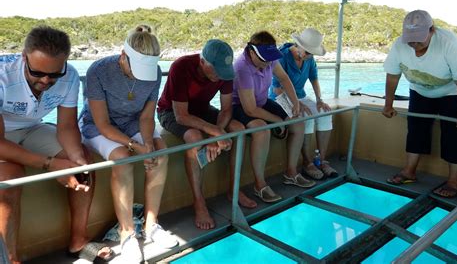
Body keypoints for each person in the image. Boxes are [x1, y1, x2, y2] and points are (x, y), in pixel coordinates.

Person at [0, 26, 114, 264]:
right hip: (3, 134)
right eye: (37, 72)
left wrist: (77, 161)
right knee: (10, 178)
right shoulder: (2, 75)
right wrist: (51, 164)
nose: (45, 80)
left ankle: (78, 241)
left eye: (54, 75)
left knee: (83, 161)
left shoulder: (71, 76)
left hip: (31, 127)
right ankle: (10, 259)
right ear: (24, 57)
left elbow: (67, 127)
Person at [79, 26, 177, 263]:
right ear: (123, 56)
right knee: (123, 158)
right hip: (97, 126)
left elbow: (145, 117)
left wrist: (148, 145)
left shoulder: (154, 73)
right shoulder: (99, 71)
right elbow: (102, 124)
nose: (141, 76)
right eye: (136, 69)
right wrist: (137, 147)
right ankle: (127, 233)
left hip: (132, 122)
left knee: (161, 152)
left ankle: (151, 226)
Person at [157, 39, 257, 230]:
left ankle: (233, 190)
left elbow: (226, 110)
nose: (220, 75)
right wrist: (214, 130)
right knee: (194, 138)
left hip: (202, 109)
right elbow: (181, 116)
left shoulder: (225, 73)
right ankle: (199, 202)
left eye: (223, 71)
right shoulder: (181, 67)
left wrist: (214, 136)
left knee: (238, 129)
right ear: (203, 62)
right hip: (171, 112)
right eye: (216, 70)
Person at [383, 10, 457, 198]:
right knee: (415, 128)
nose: (415, 45)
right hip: (420, 90)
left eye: (419, 40)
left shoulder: (449, 44)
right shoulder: (399, 45)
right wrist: (388, 104)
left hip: (452, 91)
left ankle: (455, 183)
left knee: (453, 132)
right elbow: (392, 76)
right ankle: (409, 172)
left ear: (432, 30)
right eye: (411, 40)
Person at [233, 31, 315, 204]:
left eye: (271, 59)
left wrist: (295, 103)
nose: (268, 64)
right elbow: (250, 109)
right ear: (252, 52)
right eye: (265, 60)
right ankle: (260, 184)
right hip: (240, 107)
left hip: (262, 102)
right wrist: (278, 121)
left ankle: (291, 173)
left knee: (298, 123)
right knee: (262, 130)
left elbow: (284, 78)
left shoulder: (269, 58)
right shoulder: (242, 67)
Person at [270, 28, 337, 180]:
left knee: (325, 113)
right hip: (280, 98)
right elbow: (277, 88)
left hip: (301, 96)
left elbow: (314, 79)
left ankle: (321, 160)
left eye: (311, 53)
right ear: (297, 45)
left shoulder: (309, 59)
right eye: (306, 52)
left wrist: (319, 100)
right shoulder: (282, 57)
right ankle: (307, 163)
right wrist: (296, 104)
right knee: (305, 116)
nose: (307, 56)